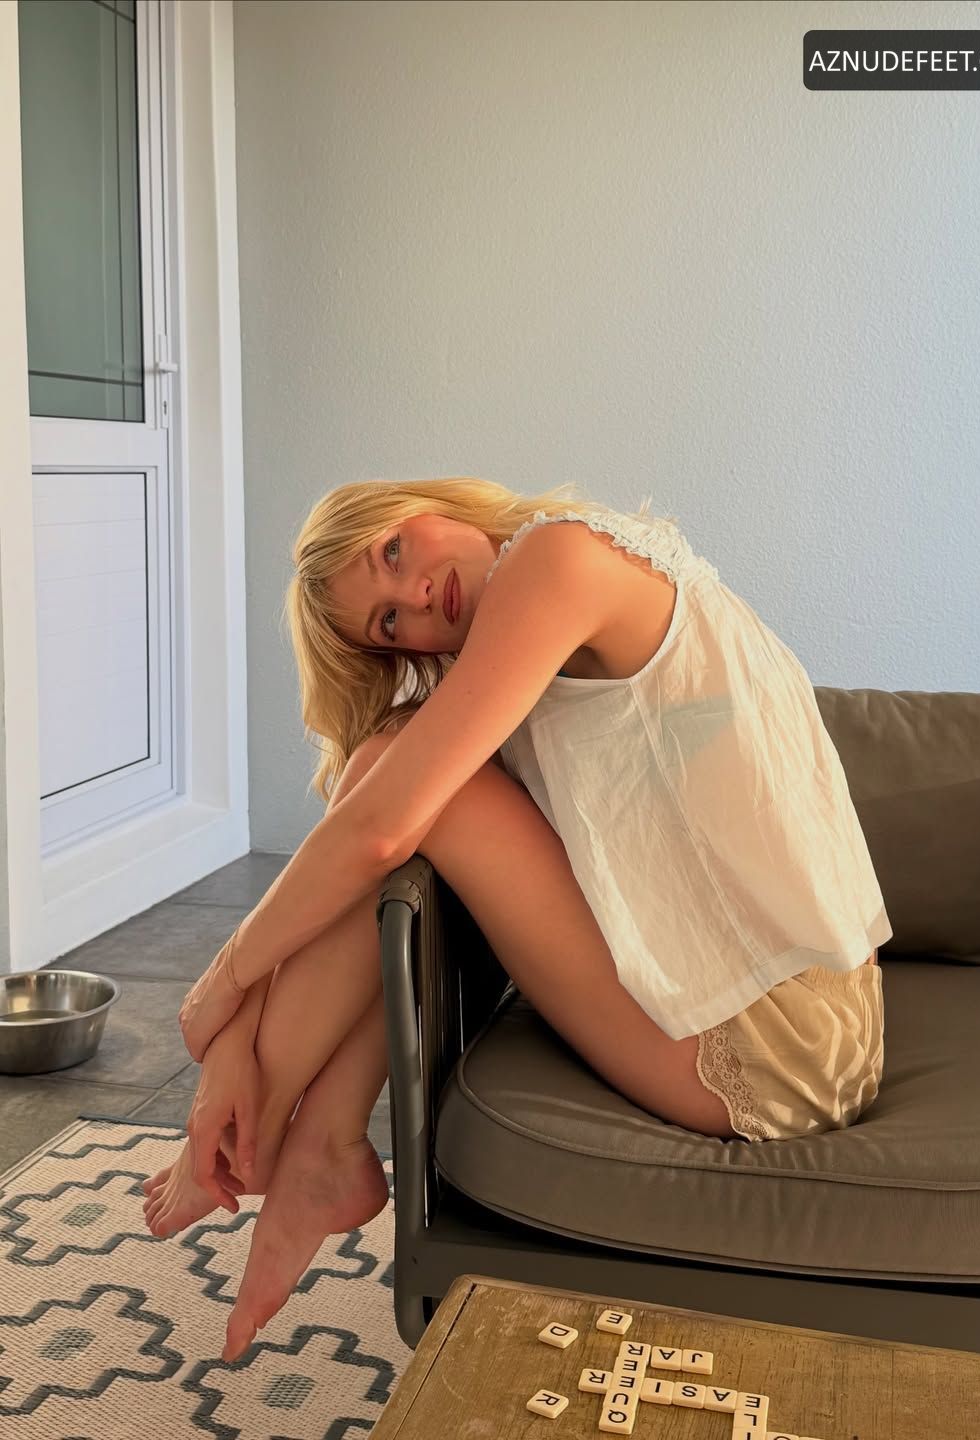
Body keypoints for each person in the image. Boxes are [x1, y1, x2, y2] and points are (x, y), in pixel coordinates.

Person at [141, 474, 890, 1363]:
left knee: (410, 798)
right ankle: (318, 1145)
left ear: (426, 504)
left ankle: (268, 1140)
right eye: (390, 622)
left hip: (782, 1042)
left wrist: (221, 986)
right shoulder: (518, 635)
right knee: (392, 766)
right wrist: (227, 1034)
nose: (418, 595)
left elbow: (377, 829)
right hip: (778, 1012)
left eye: (394, 552)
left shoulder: (557, 558)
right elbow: (370, 813)